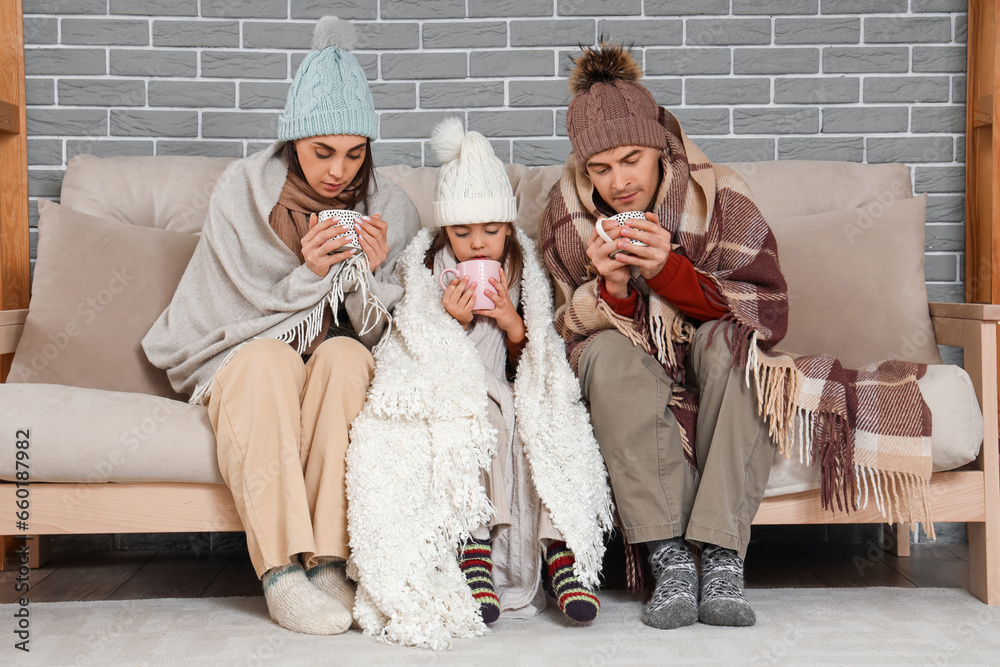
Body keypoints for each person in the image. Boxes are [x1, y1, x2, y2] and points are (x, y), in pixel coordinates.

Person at [540, 42, 934, 631]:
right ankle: (668, 555)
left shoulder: (718, 192)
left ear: (660, 148)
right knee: (604, 355)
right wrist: (613, 285)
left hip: (709, 344)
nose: (619, 182)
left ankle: (722, 554)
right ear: (583, 169)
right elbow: (565, 328)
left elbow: (761, 307)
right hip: (630, 357)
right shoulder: (565, 211)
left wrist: (666, 268)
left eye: (631, 160)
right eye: (600, 168)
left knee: (736, 349)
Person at [142, 17, 421, 636]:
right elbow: (235, 310)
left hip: (336, 355)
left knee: (346, 362)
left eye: (355, 154)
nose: (338, 173)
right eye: (322, 151)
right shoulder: (242, 191)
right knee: (269, 360)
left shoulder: (390, 206)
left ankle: (329, 562)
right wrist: (308, 275)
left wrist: (365, 278)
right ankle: (278, 573)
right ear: (294, 138)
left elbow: (387, 336)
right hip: (244, 352)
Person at [344, 118, 613, 650]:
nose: (476, 245)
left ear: (508, 230)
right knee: (485, 421)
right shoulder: (427, 268)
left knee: (543, 425)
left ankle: (560, 549)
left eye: (489, 231)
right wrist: (452, 323)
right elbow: (412, 340)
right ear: (445, 234)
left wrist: (515, 324)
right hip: (456, 389)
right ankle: (473, 548)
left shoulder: (522, 267)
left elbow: (536, 356)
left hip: (510, 384)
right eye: (462, 234)